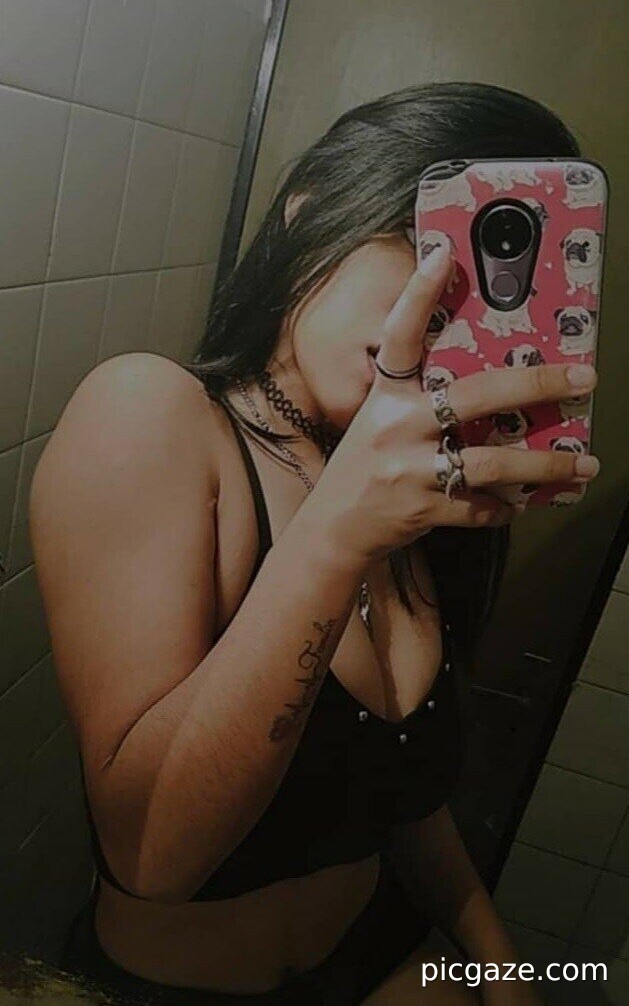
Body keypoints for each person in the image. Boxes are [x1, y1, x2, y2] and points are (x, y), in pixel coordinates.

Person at [30, 82, 599, 1005]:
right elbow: (151, 856)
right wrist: (339, 529)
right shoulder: (153, 415)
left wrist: (503, 970)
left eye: (488, 284)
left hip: (383, 955)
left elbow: (403, 797)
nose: (437, 311)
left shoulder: (402, 471)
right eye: (420, 248)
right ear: (310, 213)